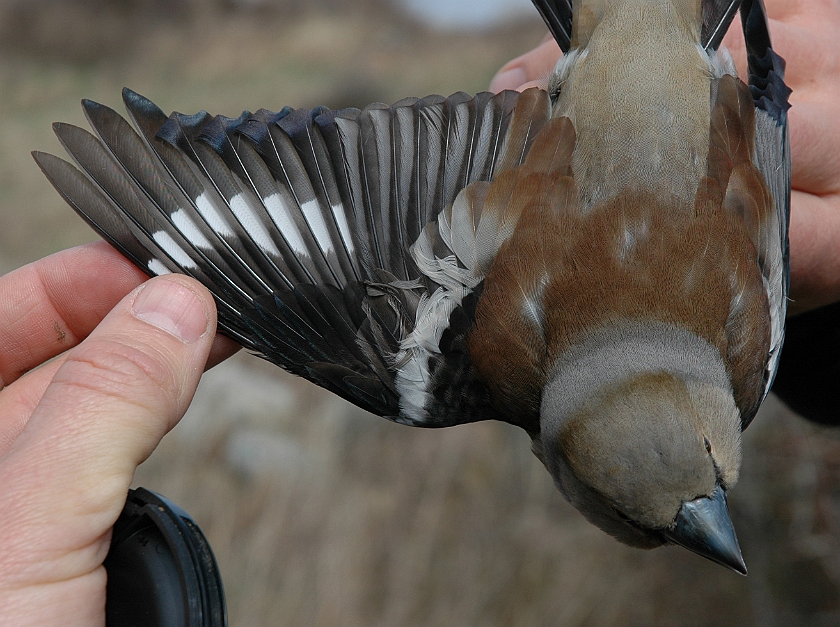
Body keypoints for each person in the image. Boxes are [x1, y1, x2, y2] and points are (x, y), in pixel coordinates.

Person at [0, 1, 837, 623]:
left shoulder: (748, 352)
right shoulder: (454, 366)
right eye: (706, 474)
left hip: (694, 50)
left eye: (640, 511)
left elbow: (766, 130)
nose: (705, 507)